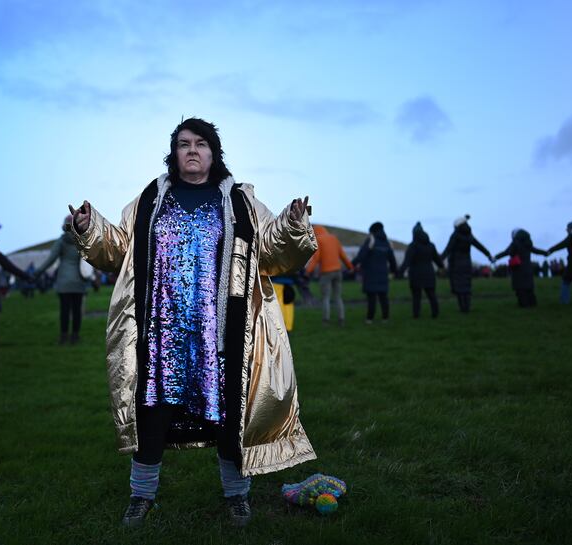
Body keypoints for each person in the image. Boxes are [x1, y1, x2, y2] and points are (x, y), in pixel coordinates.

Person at [68, 117, 316, 527]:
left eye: (201, 143)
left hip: (221, 336)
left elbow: (271, 252)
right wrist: (89, 227)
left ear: (214, 152)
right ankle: (141, 496)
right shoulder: (151, 199)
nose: (192, 150)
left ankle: (236, 496)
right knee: (153, 417)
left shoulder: (239, 201)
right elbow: (117, 250)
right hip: (160, 335)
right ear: (175, 153)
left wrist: (291, 224)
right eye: (184, 144)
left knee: (227, 417)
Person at [34, 215, 91, 345]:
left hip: (64, 281)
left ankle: (63, 336)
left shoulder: (61, 241)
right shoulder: (82, 241)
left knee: (64, 310)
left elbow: (51, 260)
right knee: (77, 311)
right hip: (78, 281)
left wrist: (37, 272)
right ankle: (75, 336)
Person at [440, 215, 494, 313]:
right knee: (467, 286)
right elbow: (479, 246)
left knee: (459, 287)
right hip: (467, 263)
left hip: (456, 264)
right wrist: (488, 254)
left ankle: (462, 308)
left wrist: (439, 260)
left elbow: (448, 249)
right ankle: (467, 307)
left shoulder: (455, 235)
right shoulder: (469, 235)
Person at [305, 225, 353, 326]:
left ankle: (326, 320)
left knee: (326, 297)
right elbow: (343, 255)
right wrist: (350, 267)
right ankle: (341, 319)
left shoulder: (318, 240)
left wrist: (308, 271)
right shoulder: (334, 238)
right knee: (337, 297)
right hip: (338, 271)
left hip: (326, 273)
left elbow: (316, 259)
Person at [351, 222, 397, 324]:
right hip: (383, 274)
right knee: (383, 297)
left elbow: (361, 256)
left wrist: (351, 265)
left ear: (372, 231)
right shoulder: (387, 243)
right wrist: (394, 272)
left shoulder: (371, 241)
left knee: (371, 298)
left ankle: (369, 319)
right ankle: (385, 318)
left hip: (371, 274)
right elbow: (392, 260)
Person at [399, 222, 444, 318]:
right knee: (432, 295)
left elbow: (406, 261)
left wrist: (399, 272)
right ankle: (435, 313)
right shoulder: (431, 245)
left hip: (416, 274)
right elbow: (437, 259)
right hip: (429, 273)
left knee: (416, 297)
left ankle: (416, 315)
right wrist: (442, 267)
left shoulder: (413, 246)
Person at [493, 228, 548, 307]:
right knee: (529, 287)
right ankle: (533, 303)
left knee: (520, 287)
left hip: (518, 268)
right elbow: (536, 250)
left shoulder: (515, 242)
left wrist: (496, 257)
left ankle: (524, 304)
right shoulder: (528, 243)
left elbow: (508, 252)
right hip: (528, 267)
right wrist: (545, 253)